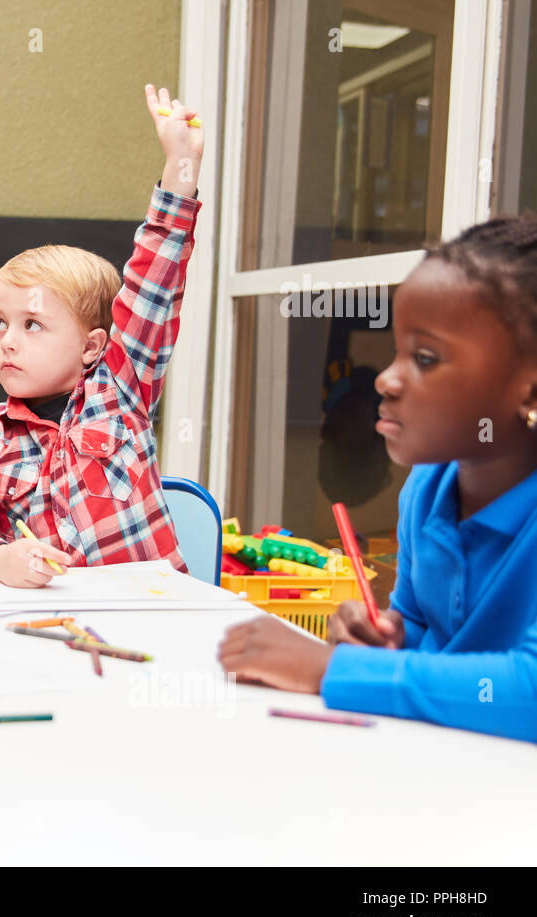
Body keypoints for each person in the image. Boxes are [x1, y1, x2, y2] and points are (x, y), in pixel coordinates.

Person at [218, 215, 537, 744]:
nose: (387, 379)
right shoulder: (427, 488)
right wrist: (376, 635)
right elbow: (416, 624)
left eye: (426, 358)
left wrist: (328, 670)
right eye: (398, 350)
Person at [0, 84, 203, 587]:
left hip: (150, 614)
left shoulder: (121, 390)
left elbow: (155, 284)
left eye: (32, 325)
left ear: (93, 346)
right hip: (49, 622)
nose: (7, 340)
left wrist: (180, 165)